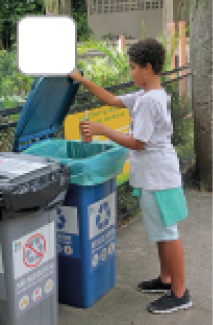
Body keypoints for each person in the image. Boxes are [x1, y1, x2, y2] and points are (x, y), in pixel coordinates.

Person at [70, 37, 193, 314]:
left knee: (169, 233)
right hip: (154, 175)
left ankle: (180, 293)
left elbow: (138, 142)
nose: (130, 72)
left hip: (160, 177)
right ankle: (166, 280)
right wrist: (81, 80)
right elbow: (112, 99)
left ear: (148, 68)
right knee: (162, 232)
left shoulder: (149, 101)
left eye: (134, 67)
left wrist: (102, 129)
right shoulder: (146, 96)